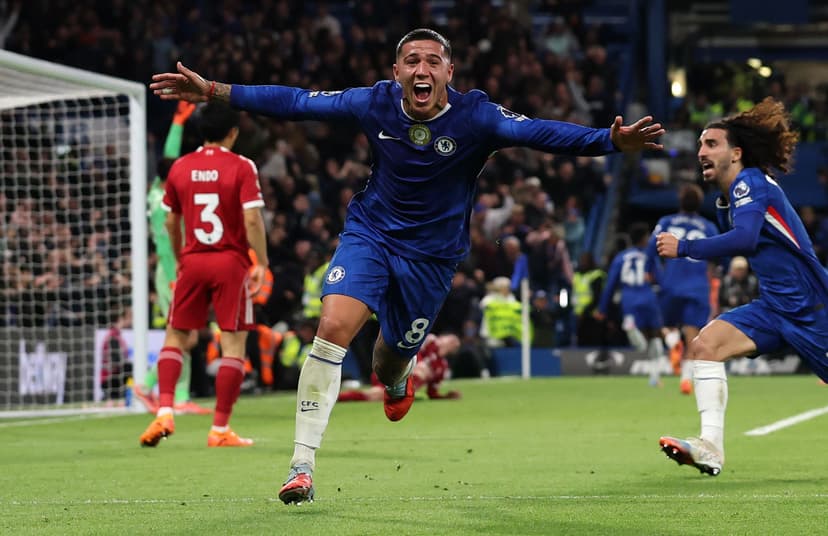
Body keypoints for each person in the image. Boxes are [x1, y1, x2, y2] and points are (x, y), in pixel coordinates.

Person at [150, 27, 664, 504]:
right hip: (370, 235)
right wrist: (216, 90)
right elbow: (296, 101)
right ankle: (301, 465)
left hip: (433, 260)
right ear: (397, 72)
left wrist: (610, 141)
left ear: (449, 73)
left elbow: (545, 134)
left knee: (387, 362)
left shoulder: (477, 117)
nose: (422, 68)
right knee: (330, 329)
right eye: (412, 60)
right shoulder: (373, 103)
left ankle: (398, 379)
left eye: (433, 61)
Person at [656, 97, 828, 476]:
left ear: (736, 154)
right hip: (774, 308)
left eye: (711, 144)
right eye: (700, 144)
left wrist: (684, 248)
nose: (701, 151)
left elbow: (745, 240)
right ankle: (710, 447)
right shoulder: (727, 199)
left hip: (814, 307)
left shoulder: (749, 182)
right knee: (705, 346)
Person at [139, 102, 269, 448]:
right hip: (230, 261)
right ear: (233, 133)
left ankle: (164, 410)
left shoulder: (180, 167)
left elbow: (170, 221)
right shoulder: (242, 166)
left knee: (175, 336)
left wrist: (183, 254)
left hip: (193, 260)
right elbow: (252, 219)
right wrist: (262, 262)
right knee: (233, 344)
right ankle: (220, 429)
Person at [134, 100, 212, 416]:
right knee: (186, 335)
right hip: (172, 273)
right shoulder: (167, 204)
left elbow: (168, 158)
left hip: (175, 272)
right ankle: (148, 384)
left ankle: (179, 395)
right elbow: (167, 248)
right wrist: (172, 276)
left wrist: (178, 124)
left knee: (184, 333)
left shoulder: (157, 190)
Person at [647, 183, 719, 395]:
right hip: (697, 287)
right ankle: (686, 380)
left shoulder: (666, 222)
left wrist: (660, 277)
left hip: (671, 284)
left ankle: (671, 343)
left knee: (667, 327)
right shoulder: (708, 227)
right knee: (692, 335)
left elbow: (651, 253)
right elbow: (717, 259)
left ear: (680, 202)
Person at [595, 222, 666, 387]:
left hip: (629, 299)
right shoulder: (650, 256)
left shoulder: (620, 258)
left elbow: (610, 284)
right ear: (643, 239)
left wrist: (602, 308)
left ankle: (630, 327)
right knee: (655, 336)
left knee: (641, 343)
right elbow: (661, 280)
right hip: (648, 297)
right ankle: (654, 377)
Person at [338, 333, 462, 402]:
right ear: (442, 337)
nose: (451, 343)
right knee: (422, 367)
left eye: (455, 344)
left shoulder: (442, 367)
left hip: (402, 388)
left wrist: (446, 396)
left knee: (375, 396)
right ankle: (336, 398)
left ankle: (338, 398)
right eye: (450, 339)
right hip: (392, 371)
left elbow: (432, 392)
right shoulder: (429, 341)